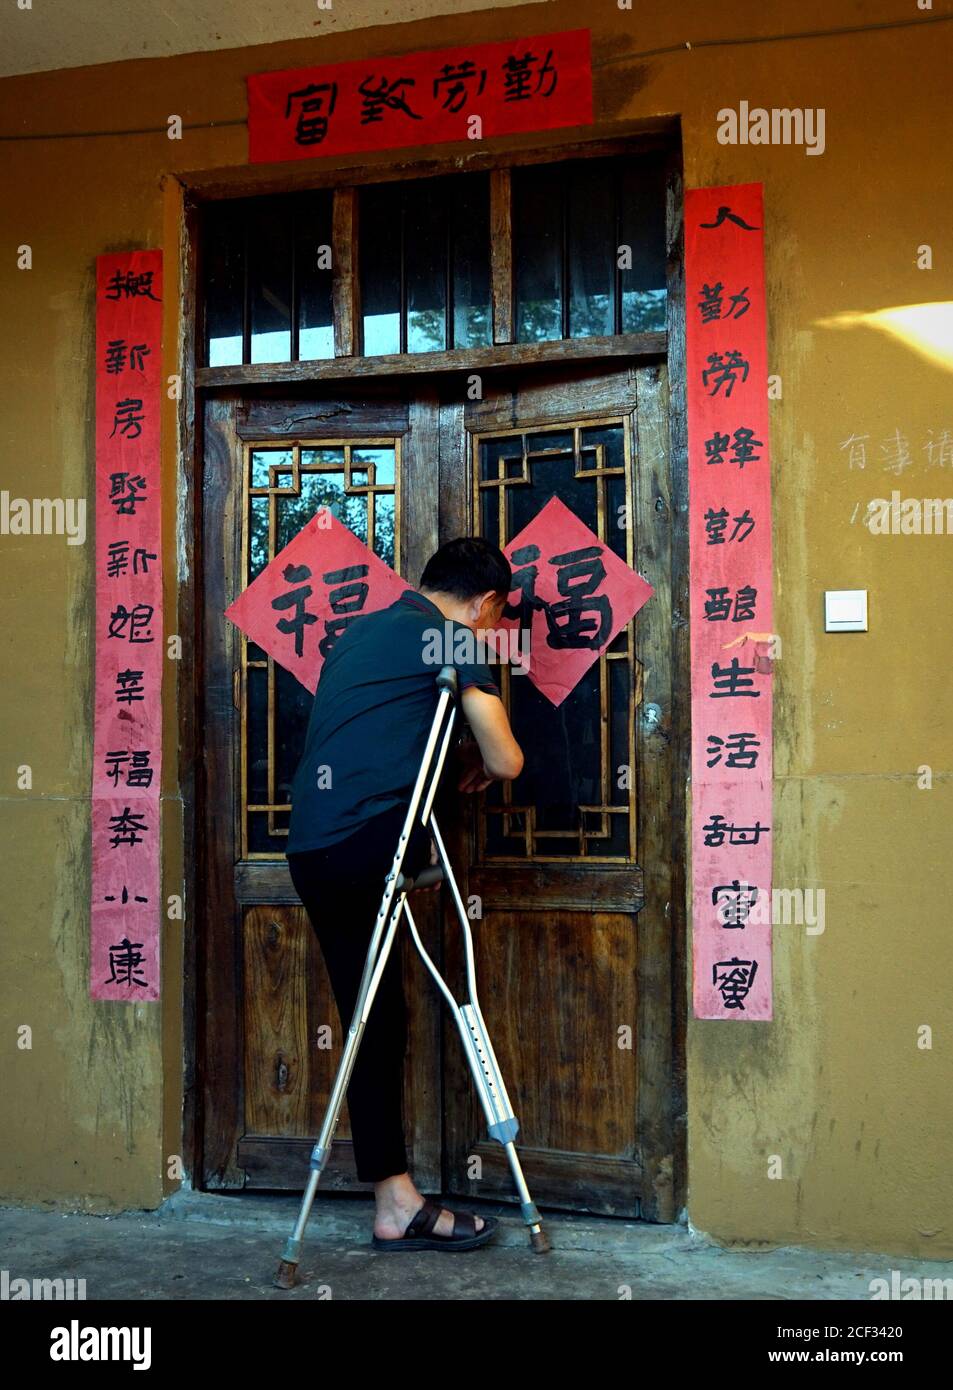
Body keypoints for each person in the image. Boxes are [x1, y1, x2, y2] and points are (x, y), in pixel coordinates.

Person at [285, 536, 524, 1252]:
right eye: (495, 619)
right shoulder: (450, 636)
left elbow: (379, 731)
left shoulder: (360, 635)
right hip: (371, 845)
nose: (489, 632)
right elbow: (508, 759)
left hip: (314, 848)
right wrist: (482, 755)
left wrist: (455, 755)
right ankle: (395, 1204)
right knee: (374, 1021)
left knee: (371, 1017)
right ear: (485, 603)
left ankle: (394, 1200)